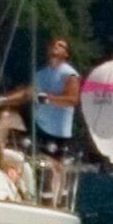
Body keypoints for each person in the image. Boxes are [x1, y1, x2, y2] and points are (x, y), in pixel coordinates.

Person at [27, 36, 82, 191]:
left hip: (58, 129)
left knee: (56, 164)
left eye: (60, 45)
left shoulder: (70, 74)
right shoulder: (40, 74)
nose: (55, 47)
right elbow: (31, 93)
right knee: (37, 160)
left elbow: (72, 99)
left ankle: (56, 198)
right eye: (53, 44)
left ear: (66, 53)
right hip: (39, 124)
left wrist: (48, 99)